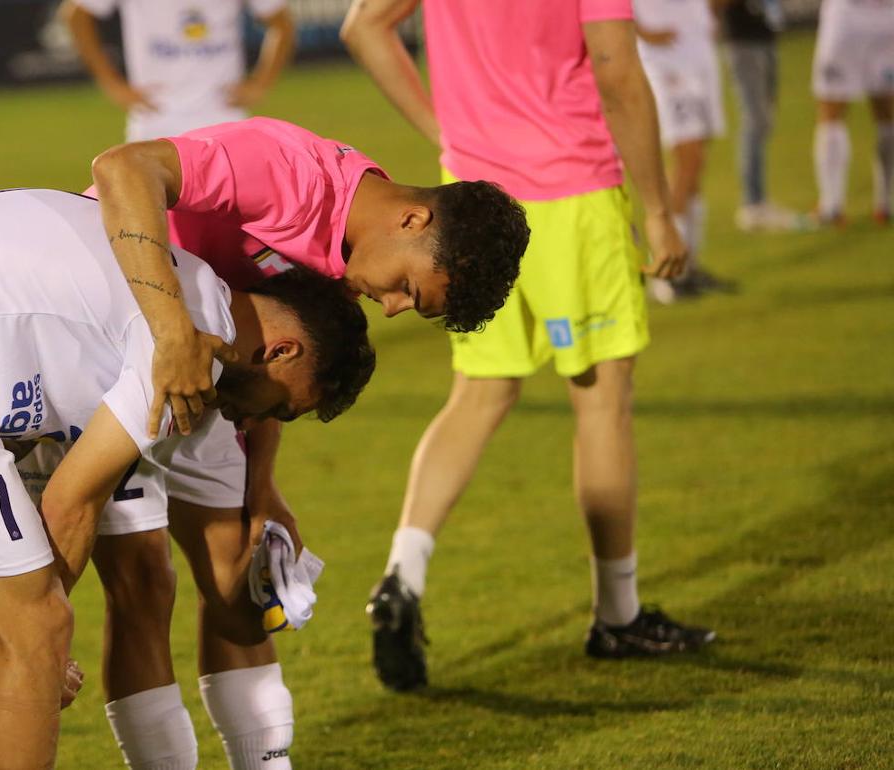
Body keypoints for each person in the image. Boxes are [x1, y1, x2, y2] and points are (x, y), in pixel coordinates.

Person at [0, 188, 375, 770]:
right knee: (32, 628)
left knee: (13, 625)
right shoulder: (184, 345)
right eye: (283, 408)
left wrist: (268, 568)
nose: (259, 421)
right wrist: (37, 651)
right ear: (285, 351)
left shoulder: (192, 306)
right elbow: (71, 500)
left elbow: (225, 593)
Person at [85, 116, 529, 768]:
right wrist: (171, 327)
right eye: (410, 289)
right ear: (412, 221)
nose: (394, 309)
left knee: (238, 565)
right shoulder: (288, 171)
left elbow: (273, 359)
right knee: (132, 582)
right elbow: (122, 167)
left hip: (202, 370)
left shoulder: (350, 250)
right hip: (99, 337)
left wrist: (261, 489)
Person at [342, 0, 715, 692]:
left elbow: (362, 27)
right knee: (602, 401)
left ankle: (403, 572)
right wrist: (659, 209)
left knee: (479, 395)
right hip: (572, 188)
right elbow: (616, 70)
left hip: (475, 196)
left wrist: (446, 134)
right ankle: (618, 611)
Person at [64, 0, 295, 141]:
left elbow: (281, 23)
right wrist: (110, 83)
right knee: (153, 218)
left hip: (224, 116)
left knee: (231, 218)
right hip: (156, 118)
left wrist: (260, 82)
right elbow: (76, 15)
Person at [634, 0, 733, 302]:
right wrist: (641, 31)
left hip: (698, 52)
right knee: (687, 161)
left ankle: (689, 266)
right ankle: (667, 275)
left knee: (696, 164)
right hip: (667, 61)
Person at [723, 0, 811, 232]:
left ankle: (757, 200)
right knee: (755, 120)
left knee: (764, 120)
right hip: (743, 41)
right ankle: (753, 204)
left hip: (765, 37)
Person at [812, 0, 894, 226]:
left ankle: (832, 206)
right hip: (888, 17)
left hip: (847, 17)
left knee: (832, 112)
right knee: (887, 112)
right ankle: (886, 203)